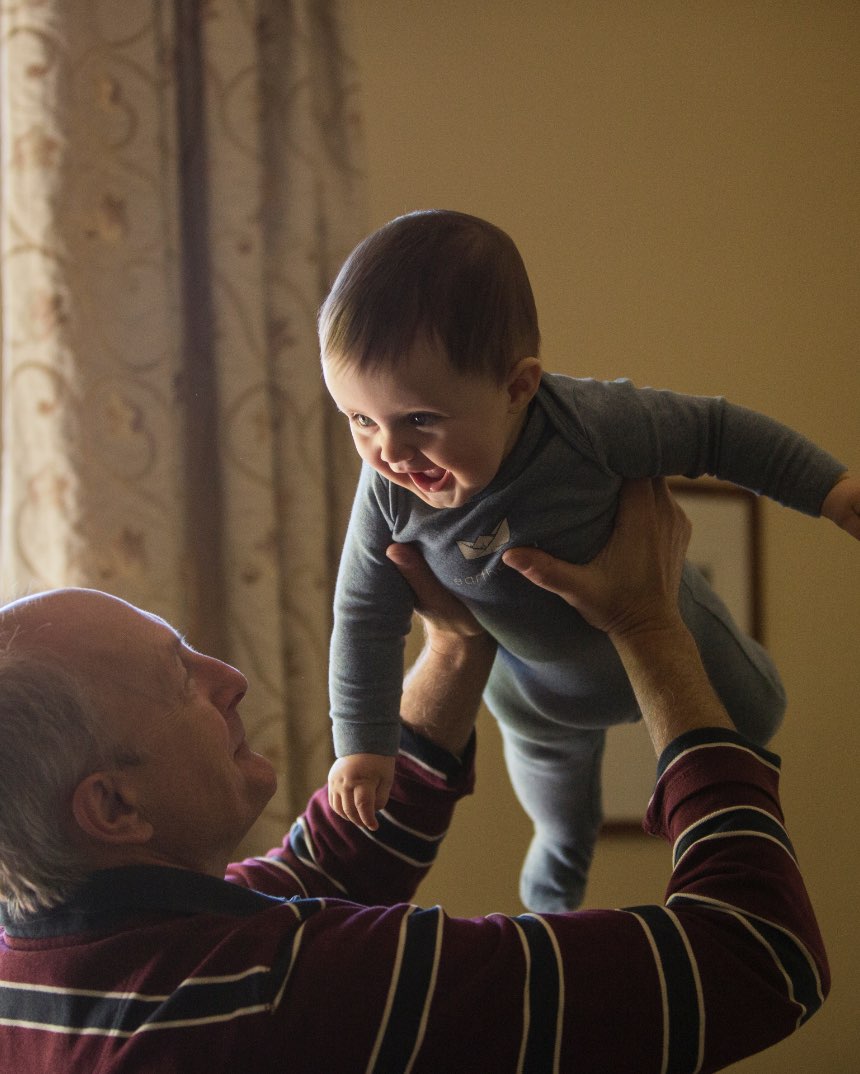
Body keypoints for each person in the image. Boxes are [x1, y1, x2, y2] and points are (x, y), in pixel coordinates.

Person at [0, 479, 829, 1072]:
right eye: (180, 679)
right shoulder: (293, 996)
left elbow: (325, 867)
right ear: (112, 806)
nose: (230, 678)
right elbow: (756, 958)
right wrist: (650, 626)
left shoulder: (45, 966)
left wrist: (456, 647)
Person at [320, 208, 860, 911]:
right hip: (538, 699)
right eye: (360, 420)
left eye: (419, 419)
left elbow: (717, 433)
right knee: (561, 824)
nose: (388, 452)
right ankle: (552, 910)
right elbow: (363, 616)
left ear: (518, 388)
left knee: (757, 716)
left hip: (674, 628)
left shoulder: (589, 425)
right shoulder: (389, 496)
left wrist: (828, 486)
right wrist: (363, 745)